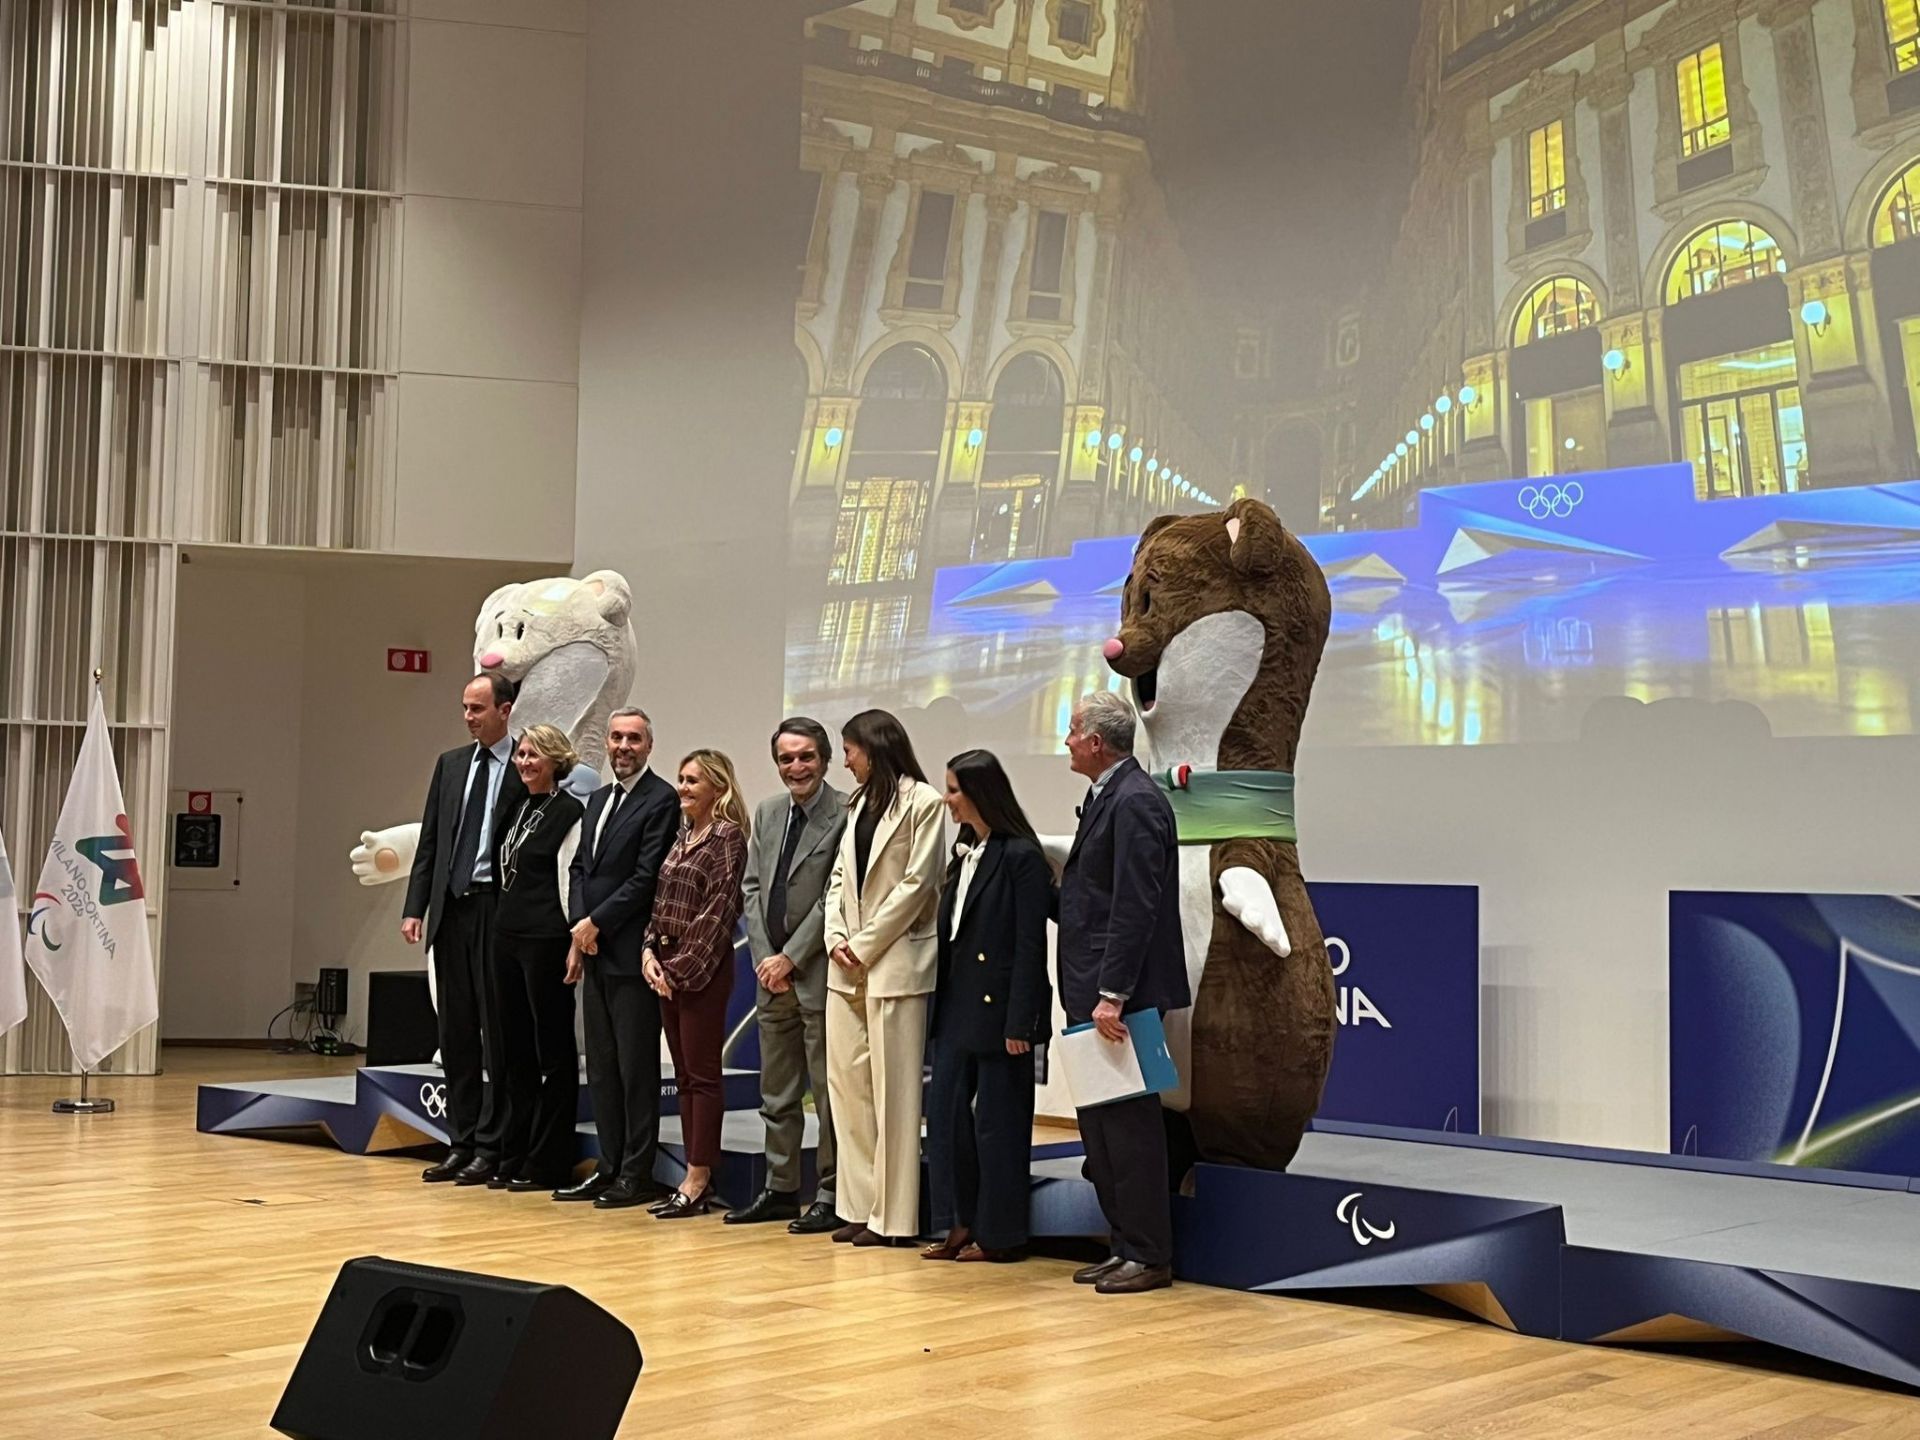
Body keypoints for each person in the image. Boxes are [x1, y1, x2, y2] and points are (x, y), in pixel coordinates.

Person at [1057, 689, 1188, 1294]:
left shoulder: (1136, 800)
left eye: (1073, 731)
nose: (1066, 741)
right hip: (1096, 993)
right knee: (1102, 1131)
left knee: (1131, 1132)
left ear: (1096, 741)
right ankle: (1124, 1245)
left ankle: (1150, 1254)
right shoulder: (1108, 794)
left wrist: (1112, 992)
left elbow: (1136, 906)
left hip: (1120, 998)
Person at [921, 749, 1052, 1264]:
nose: (947, 799)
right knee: (948, 1119)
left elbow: (1029, 944)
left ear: (979, 792)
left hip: (1001, 1014)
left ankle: (1001, 1237)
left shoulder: (1020, 855)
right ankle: (957, 1223)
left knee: (998, 1128)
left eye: (953, 789)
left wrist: (1021, 1020)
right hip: (957, 1007)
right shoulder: (966, 848)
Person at [822, 709, 945, 1247]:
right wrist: (834, 937)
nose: (845, 761)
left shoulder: (925, 804)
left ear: (873, 748)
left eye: (848, 750)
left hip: (896, 965)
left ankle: (893, 1218)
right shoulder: (856, 805)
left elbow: (919, 885)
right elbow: (840, 877)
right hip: (845, 965)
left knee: (895, 1095)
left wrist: (865, 944)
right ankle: (856, 1206)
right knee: (848, 1091)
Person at [726, 718, 850, 1233]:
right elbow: (752, 889)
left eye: (805, 757)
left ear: (824, 759)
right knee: (776, 1093)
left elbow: (835, 896)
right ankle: (779, 1189)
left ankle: (828, 1191)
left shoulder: (846, 812)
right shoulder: (768, 811)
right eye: (786, 759)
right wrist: (763, 955)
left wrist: (791, 956)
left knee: (825, 1093)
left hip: (818, 972)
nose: (795, 767)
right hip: (769, 972)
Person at [402, 672, 526, 1186]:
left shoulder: (526, 766)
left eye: (478, 708)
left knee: (497, 1032)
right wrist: (415, 907)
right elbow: (430, 840)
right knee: (455, 1032)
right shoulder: (451, 765)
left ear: (505, 710)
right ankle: (463, 1139)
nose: (469, 717)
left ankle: (494, 1145)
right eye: (465, 708)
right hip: (452, 910)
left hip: (499, 911)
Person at [560, 707, 680, 1209]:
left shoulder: (661, 799)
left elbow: (646, 877)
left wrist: (597, 923)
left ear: (649, 746)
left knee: (635, 1069)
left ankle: (637, 1171)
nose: (623, 746)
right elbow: (580, 869)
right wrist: (579, 930)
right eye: (615, 738)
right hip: (595, 950)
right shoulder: (599, 800)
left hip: (633, 953)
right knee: (603, 1068)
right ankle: (608, 1167)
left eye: (633, 738)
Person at [642, 749, 751, 1218]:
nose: (683, 788)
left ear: (718, 788)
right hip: (664, 964)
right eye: (681, 779)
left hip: (701, 968)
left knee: (703, 1076)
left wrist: (678, 970)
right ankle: (693, 1170)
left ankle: (700, 1174)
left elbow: (718, 913)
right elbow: (661, 898)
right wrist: (649, 952)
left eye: (693, 781)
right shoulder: (684, 834)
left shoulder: (727, 838)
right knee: (683, 1075)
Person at [489, 724, 587, 1192]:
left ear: (554, 760)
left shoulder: (570, 812)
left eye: (533, 755)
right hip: (506, 937)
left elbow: (571, 882)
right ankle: (512, 1152)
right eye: (521, 754)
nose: (524, 762)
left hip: (547, 939)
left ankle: (548, 1161)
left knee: (553, 1053)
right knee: (513, 1052)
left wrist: (574, 943)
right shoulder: (514, 806)